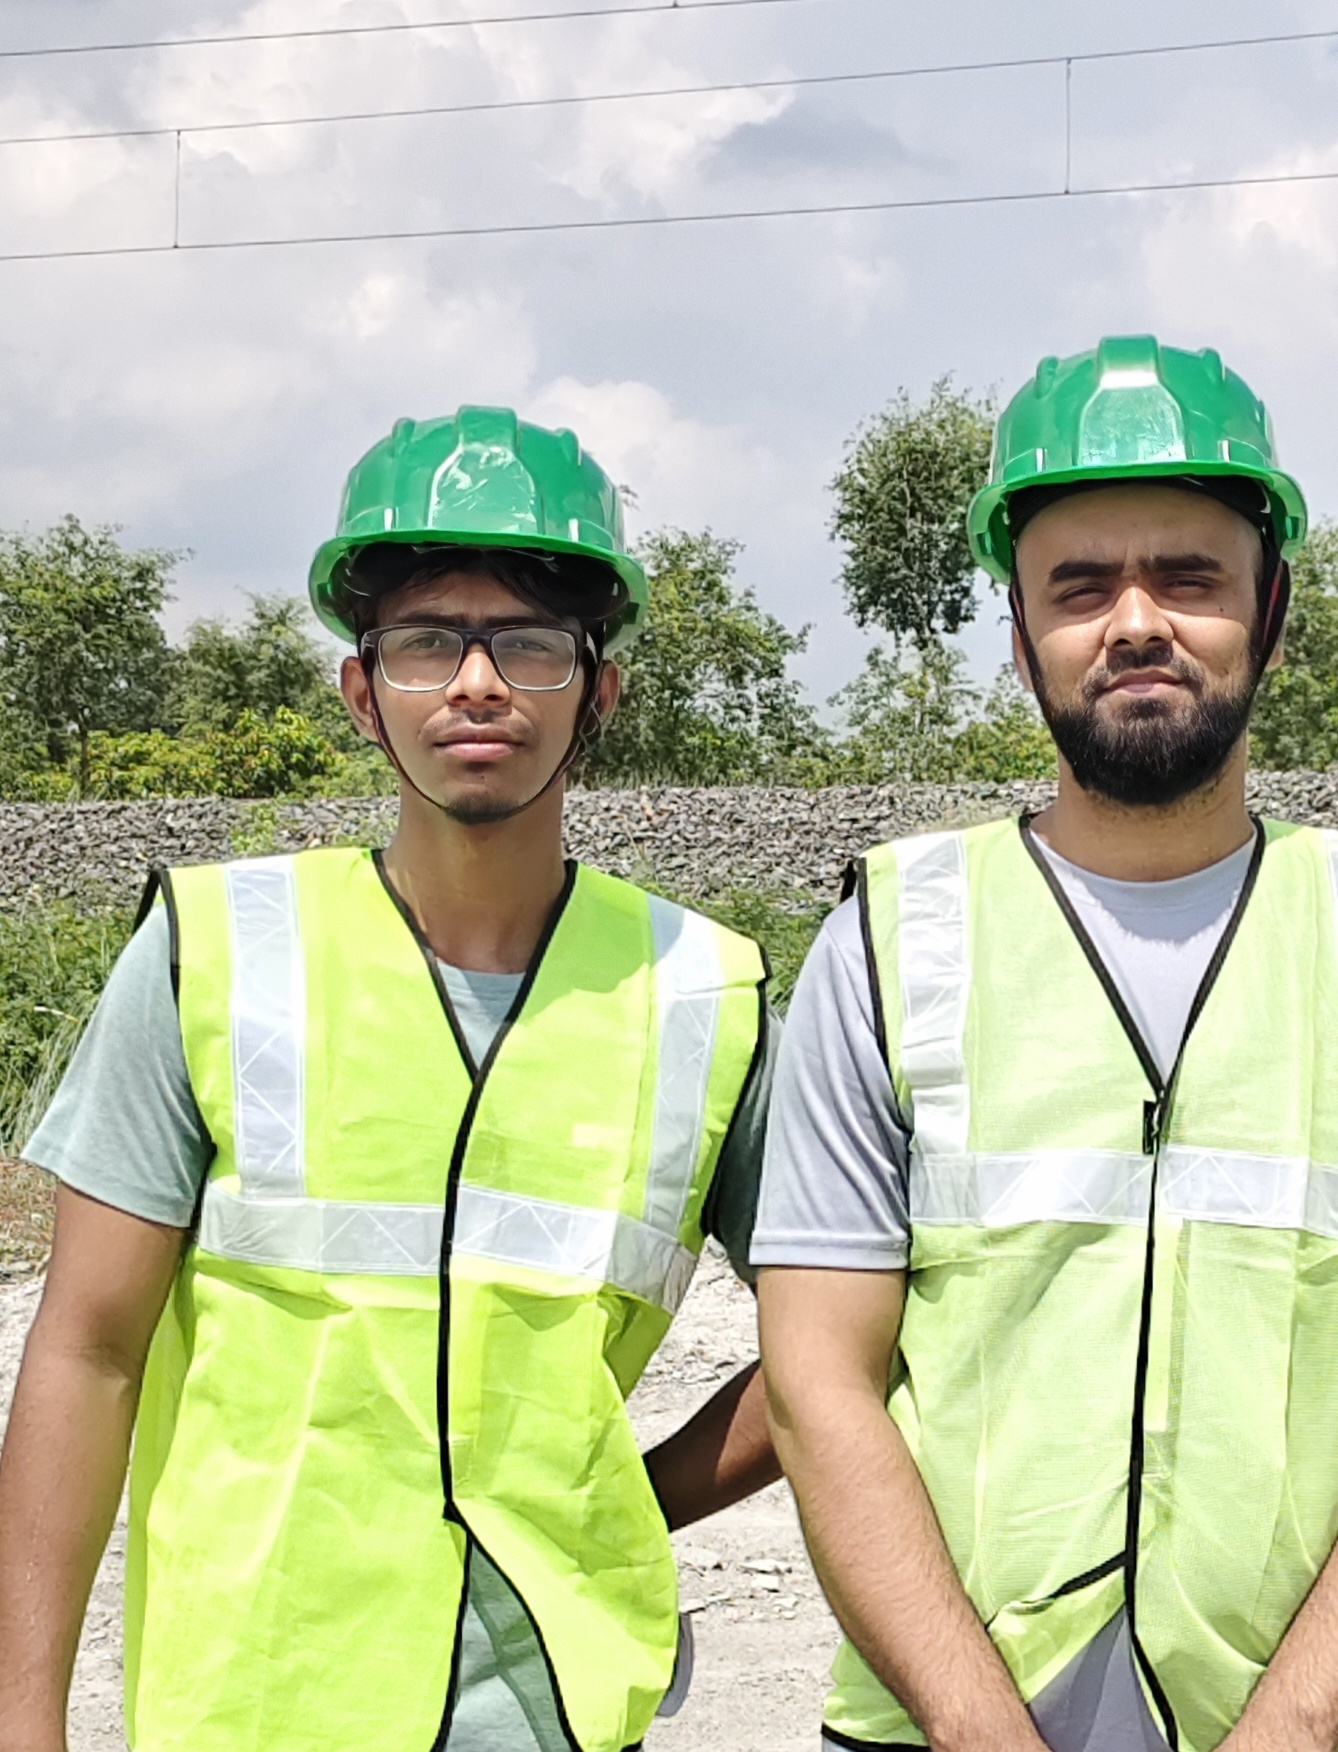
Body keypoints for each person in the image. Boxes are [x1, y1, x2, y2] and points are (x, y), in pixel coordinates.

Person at [754, 335, 1338, 1752]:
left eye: (1188, 577)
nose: (1135, 622)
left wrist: (1295, 1724)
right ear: (1019, 633)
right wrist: (976, 1727)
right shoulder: (891, 940)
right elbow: (818, 1384)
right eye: (1079, 586)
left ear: (1270, 612)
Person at [0, 406, 782, 1752]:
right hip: (254, 1702)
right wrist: (25, 1721)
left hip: (551, 1713)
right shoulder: (211, 955)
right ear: (364, 693)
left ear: (598, 693)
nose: (477, 683)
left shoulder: (704, 993)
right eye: (427, 642)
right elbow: (86, 1351)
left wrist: (621, 1505)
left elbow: (841, 1349)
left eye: (529, 643)